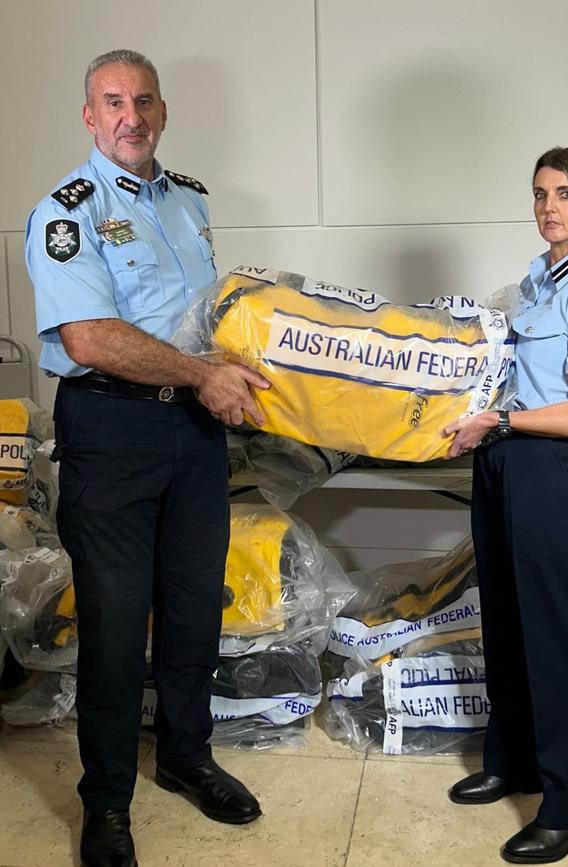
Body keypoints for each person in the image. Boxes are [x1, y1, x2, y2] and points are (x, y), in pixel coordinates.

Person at [25, 49, 270, 867]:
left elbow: (207, 319)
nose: (132, 115)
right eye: (113, 102)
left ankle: (186, 756)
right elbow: (89, 338)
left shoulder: (191, 202)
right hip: (112, 432)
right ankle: (105, 803)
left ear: (162, 111)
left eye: (144, 100)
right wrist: (206, 375)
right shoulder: (66, 211)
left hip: (195, 434)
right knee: (116, 623)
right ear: (90, 117)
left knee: (196, 606)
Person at [443, 147, 568, 864]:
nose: (549, 206)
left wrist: (501, 422)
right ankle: (513, 759)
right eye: (540, 194)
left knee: (555, 635)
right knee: (508, 620)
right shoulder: (534, 278)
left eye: (564, 193)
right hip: (503, 457)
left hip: (553, 466)